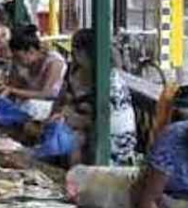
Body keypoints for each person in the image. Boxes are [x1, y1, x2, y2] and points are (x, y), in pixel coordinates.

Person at [48, 28, 137, 166]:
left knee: (75, 139)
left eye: (75, 52)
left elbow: (97, 122)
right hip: (93, 133)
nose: (74, 56)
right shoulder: (83, 72)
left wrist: (68, 117)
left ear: (83, 53)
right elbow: (63, 100)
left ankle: (75, 181)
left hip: (114, 147)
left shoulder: (108, 81)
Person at [4, 26, 67, 104]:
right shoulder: (23, 63)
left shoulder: (54, 62)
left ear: (31, 51)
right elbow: (14, 85)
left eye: (18, 57)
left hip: (50, 106)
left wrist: (12, 90)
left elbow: (46, 94)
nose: (16, 60)